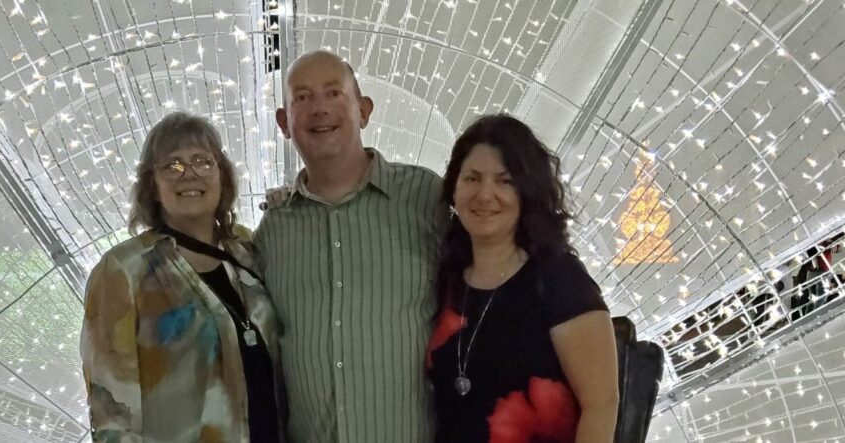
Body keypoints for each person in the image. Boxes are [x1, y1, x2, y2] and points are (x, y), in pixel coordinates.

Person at [253, 50, 444, 442]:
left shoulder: (426, 198)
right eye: (302, 98)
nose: (319, 109)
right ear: (284, 123)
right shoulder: (274, 229)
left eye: (333, 93)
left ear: (364, 110)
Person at [80, 112, 282, 442]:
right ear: (153, 186)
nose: (189, 174)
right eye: (172, 165)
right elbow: (112, 413)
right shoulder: (123, 270)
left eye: (203, 162)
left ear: (223, 177)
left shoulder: (247, 251)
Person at [426, 114, 619, 443]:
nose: (485, 195)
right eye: (472, 178)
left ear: (528, 190)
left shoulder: (559, 279)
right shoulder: (446, 280)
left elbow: (602, 405)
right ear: (454, 188)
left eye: (505, 181)